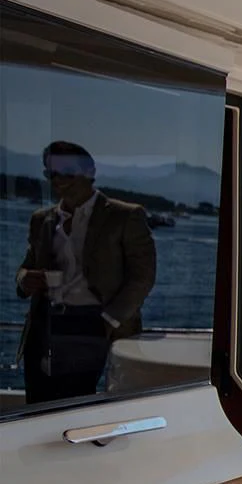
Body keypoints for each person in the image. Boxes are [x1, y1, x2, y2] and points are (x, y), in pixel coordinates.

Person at [14, 141, 157, 405]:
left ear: (90, 171)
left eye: (67, 172)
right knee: (37, 404)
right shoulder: (41, 219)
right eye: (52, 173)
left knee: (76, 404)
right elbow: (27, 265)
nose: (59, 180)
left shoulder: (124, 216)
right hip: (44, 326)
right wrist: (24, 279)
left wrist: (107, 320)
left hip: (93, 325)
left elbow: (142, 277)